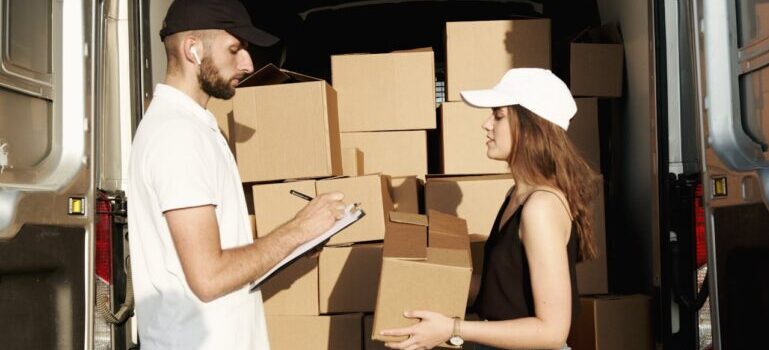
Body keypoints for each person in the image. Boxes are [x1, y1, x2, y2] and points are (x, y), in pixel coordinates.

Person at [127, 1, 347, 349]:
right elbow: (209, 277)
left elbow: (218, 253)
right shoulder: (177, 136)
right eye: (235, 48)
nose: (247, 63)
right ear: (193, 49)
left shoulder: (193, 126)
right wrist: (298, 229)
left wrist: (290, 246)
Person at [380, 68, 599, 350]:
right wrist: (423, 283)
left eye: (498, 115)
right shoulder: (517, 196)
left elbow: (553, 331)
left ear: (530, 125)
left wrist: (453, 328)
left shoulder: (540, 208)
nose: (486, 124)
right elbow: (506, 288)